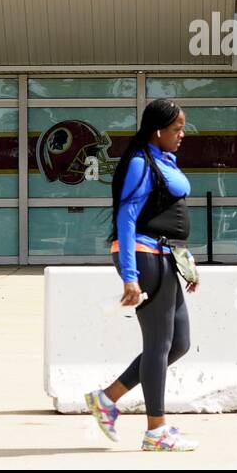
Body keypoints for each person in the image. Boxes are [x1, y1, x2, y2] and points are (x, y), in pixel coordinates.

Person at [84, 99, 200, 451]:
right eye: (177, 130)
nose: (181, 135)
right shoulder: (139, 162)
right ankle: (156, 431)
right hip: (145, 257)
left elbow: (168, 218)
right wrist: (130, 276)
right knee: (158, 345)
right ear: (157, 132)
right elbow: (127, 219)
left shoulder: (162, 160)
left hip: (165, 257)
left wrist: (187, 263)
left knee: (178, 343)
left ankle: (107, 398)